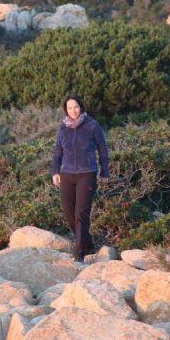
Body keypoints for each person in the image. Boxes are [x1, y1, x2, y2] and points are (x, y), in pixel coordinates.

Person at [51, 93, 110, 262]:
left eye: (76, 107)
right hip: (67, 174)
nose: (73, 111)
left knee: (81, 214)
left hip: (87, 173)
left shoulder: (92, 125)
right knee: (69, 213)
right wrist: (55, 171)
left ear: (81, 107)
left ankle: (79, 255)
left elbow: (103, 149)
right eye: (69, 108)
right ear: (65, 110)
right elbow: (57, 152)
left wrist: (104, 171)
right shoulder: (63, 127)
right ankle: (88, 244)